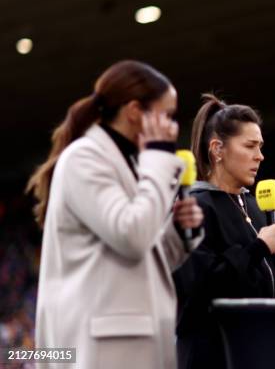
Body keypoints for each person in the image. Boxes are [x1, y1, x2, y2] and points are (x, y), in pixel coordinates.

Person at [28, 60, 204, 369]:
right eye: (166, 115)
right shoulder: (85, 159)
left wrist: (175, 231)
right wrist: (160, 157)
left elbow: (141, 252)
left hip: (130, 335)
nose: (172, 127)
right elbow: (131, 236)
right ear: (135, 111)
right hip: (103, 342)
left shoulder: (133, 164)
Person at [173, 94, 275, 369]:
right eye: (249, 146)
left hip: (260, 349)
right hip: (214, 353)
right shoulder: (194, 207)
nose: (259, 155)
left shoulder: (256, 205)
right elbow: (199, 289)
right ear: (217, 149)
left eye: (260, 146)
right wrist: (258, 248)